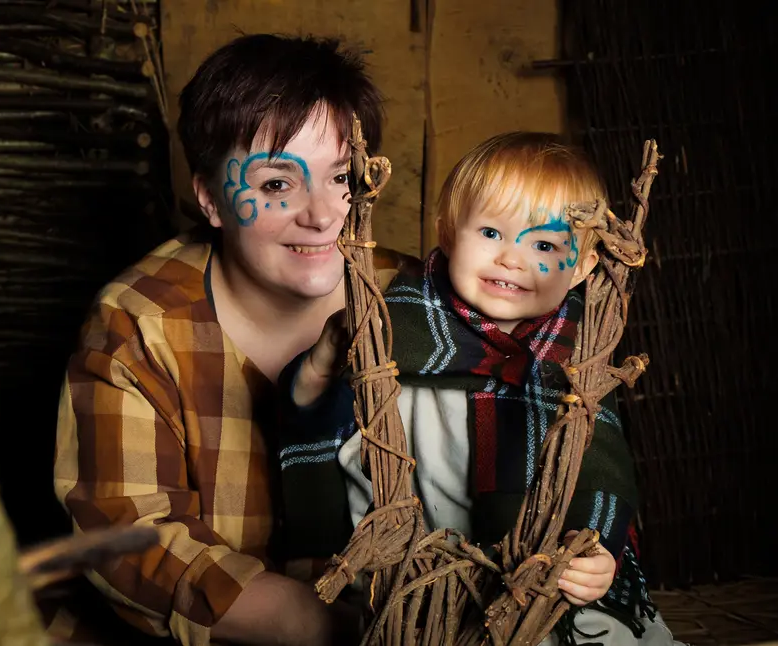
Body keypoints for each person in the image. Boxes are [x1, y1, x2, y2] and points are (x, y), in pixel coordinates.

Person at [51, 33, 418, 646]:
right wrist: (319, 623)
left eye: (341, 177)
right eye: (277, 185)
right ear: (211, 199)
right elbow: (128, 535)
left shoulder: (417, 303)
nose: (324, 214)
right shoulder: (139, 322)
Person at [275, 132, 681, 645]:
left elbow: (601, 468)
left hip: (530, 577)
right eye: (491, 232)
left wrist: (594, 551)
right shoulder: (392, 324)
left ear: (582, 266)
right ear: (447, 233)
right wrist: (317, 370)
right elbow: (321, 420)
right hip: (417, 575)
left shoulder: (581, 357)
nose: (511, 259)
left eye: (544, 245)